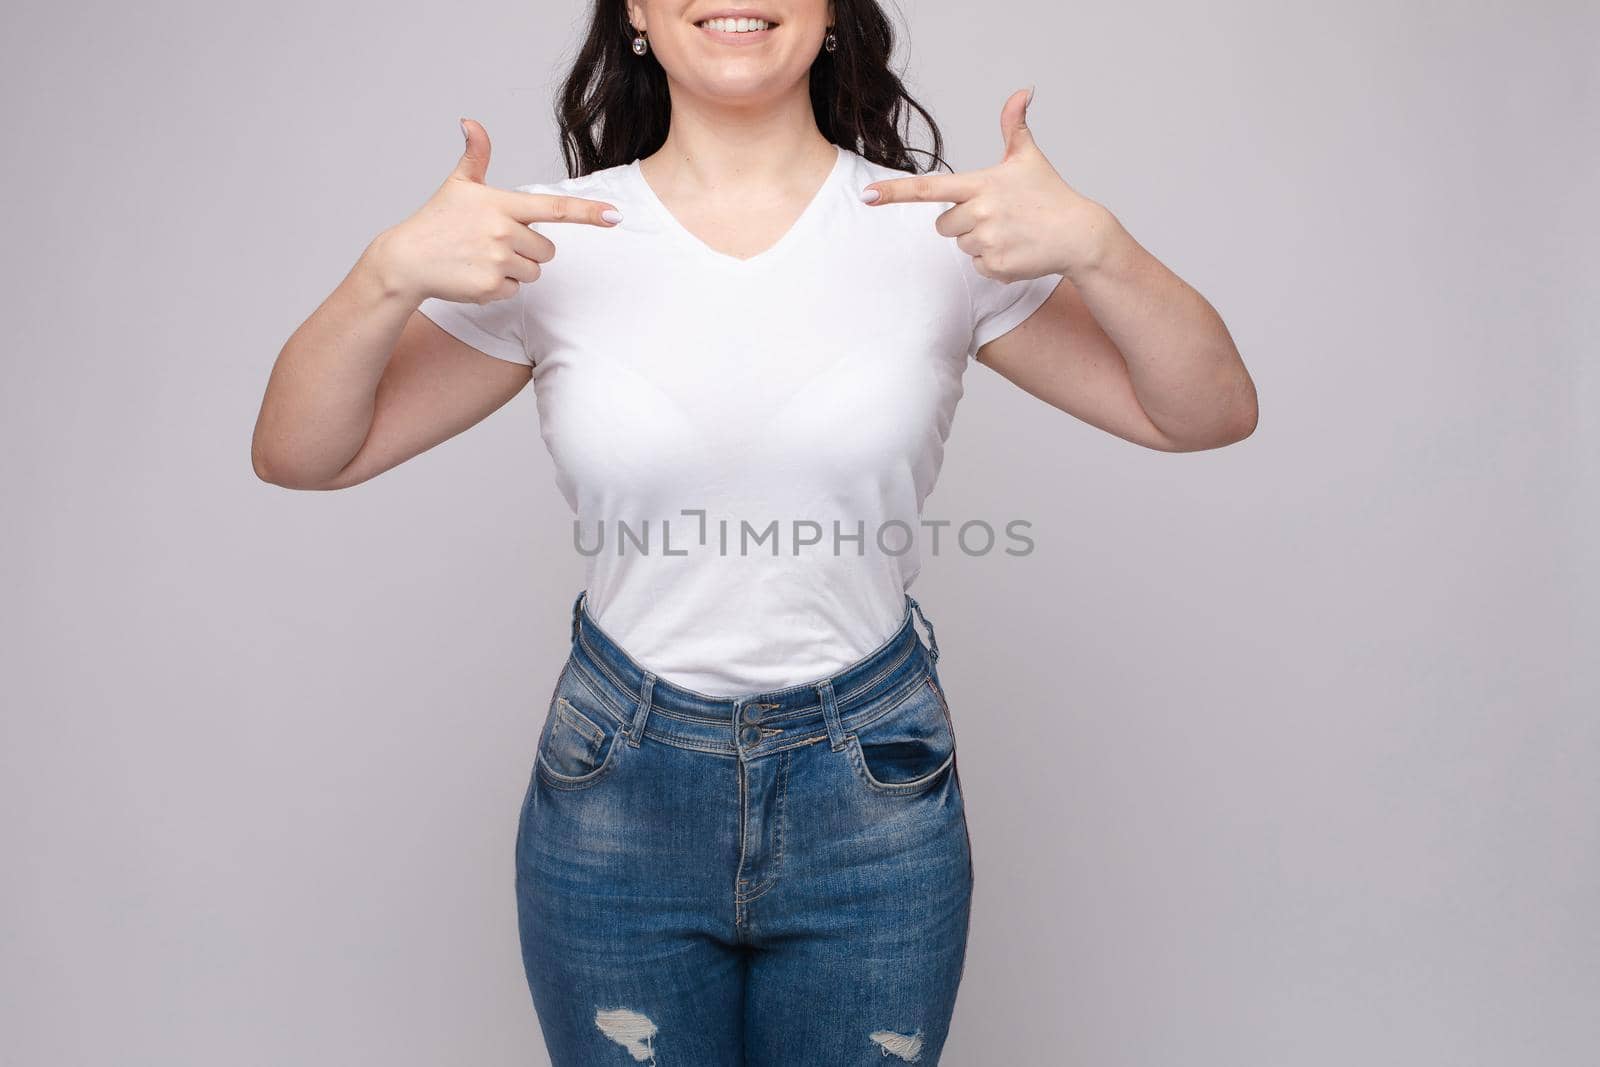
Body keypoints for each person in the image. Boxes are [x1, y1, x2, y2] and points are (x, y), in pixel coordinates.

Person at [252, 2, 1257, 1062]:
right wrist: (383, 274)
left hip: (871, 789)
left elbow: (1204, 413)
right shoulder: (549, 239)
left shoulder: (939, 231)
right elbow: (302, 452)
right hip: (617, 793)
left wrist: (1102, 247)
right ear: (636, 11)